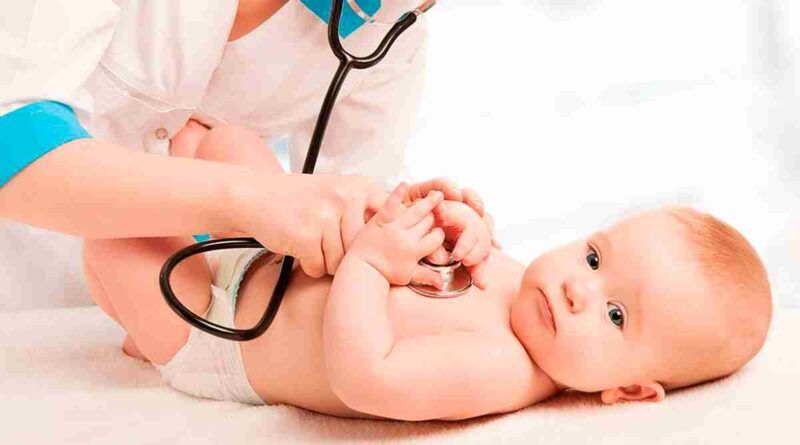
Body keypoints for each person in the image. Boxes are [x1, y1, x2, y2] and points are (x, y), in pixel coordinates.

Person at [83, 123, 773, 421]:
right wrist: (448, 219)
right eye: (594, 258)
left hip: (226, 333)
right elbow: (439, 263)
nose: (577, 288)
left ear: (629, 389)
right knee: (224, 141)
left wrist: (369, 262)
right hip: (278, 258)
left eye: (615, 315)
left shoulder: (503, 369)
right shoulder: (524, 288)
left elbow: (364, 376)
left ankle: (148, 337)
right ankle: (204, 222)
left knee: (108, 241)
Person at [0, 0, 491, 299]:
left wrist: (428, 232)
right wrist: (254, 199)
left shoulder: (388, 29)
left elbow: (355, 236)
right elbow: (12, 138)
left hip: (150, 323)